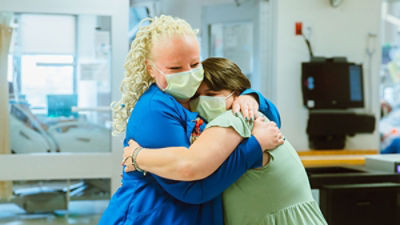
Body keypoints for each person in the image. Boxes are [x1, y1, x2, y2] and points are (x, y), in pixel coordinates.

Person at [99, 15, 283, 225]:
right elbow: (191, 186)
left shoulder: (196, 97)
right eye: (175, 69)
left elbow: (272, 120)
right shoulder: (155, 109)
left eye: (195, 64)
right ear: (151, 68)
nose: (188, 74)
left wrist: (250, 97)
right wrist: (254, 147)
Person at [124, 57, 328, 225]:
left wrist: (137, 156)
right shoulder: (244, 118)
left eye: (212, 95)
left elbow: (191, 173)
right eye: (197, 97)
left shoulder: (234, 118)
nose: (203, 103)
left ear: (236, 95)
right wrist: (253, 99)